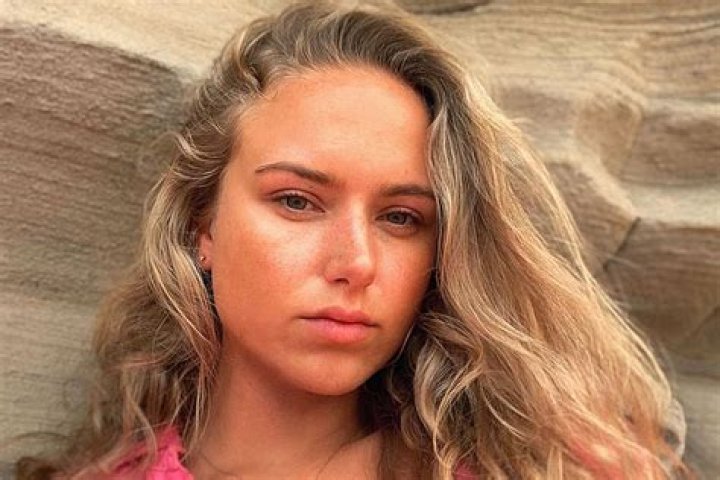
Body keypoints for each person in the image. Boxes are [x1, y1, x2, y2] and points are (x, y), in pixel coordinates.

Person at [16, 1, 690, 479]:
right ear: (203, 226)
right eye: (296, 201)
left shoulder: (542, 468)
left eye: (401, 218)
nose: (357, 263)